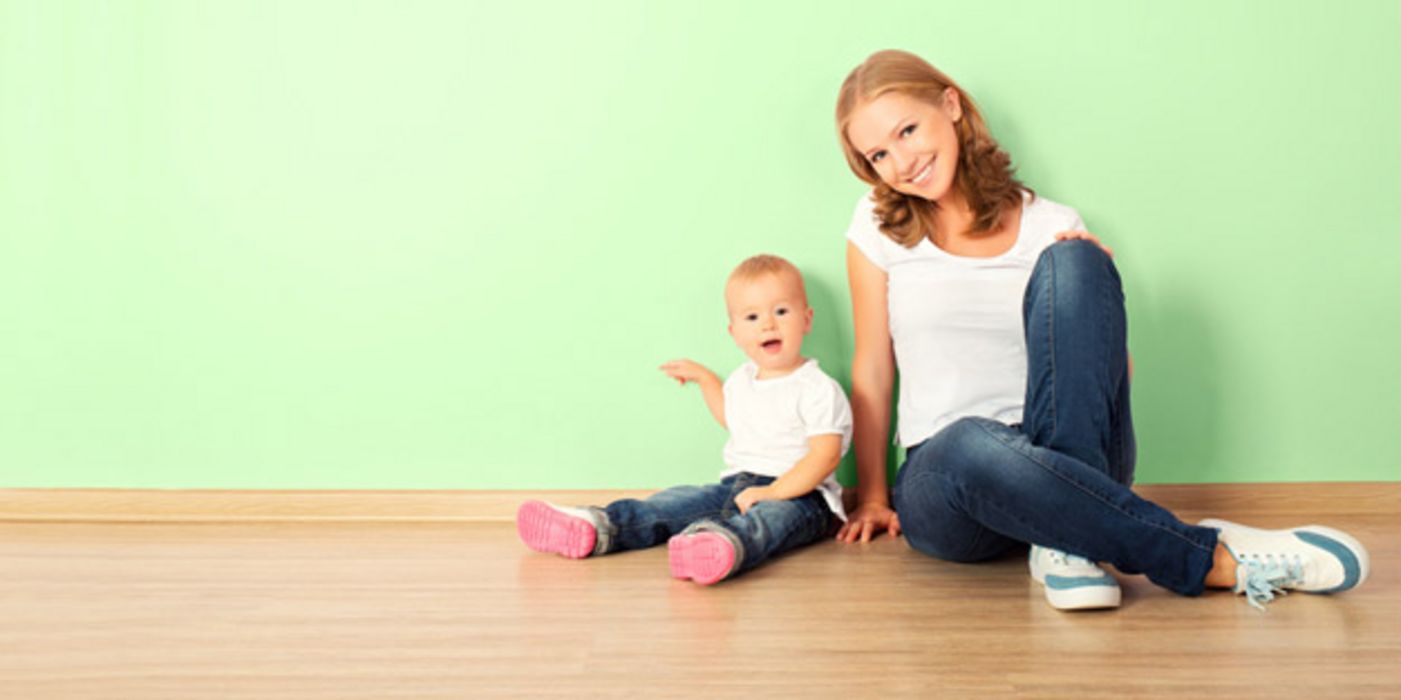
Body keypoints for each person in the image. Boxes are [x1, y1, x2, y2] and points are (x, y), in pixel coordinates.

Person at [832, 49, 1368, 610]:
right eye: (879, 154)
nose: (902, 161)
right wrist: (871, 494)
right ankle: (1211, 559)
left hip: (1069, 450)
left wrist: (1096, 299)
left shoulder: (1052, 224)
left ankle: (1064, 545)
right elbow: (873, 363)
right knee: (969, 440)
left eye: (908, 130)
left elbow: (1111, 381)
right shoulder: (876, 225)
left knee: (1079, 263)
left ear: (952, 105)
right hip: (951, 482)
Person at [516, 255, 852, 585]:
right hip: (735, 485)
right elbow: (735, 420)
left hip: (802, 495)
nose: (768, 324)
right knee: (675, 503)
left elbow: (825, 455)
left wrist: (775, 491)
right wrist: (707, 380)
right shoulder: (741, 380)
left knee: (770, 522)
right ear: (734, 332)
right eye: (752, 316)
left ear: (806, 319)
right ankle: (601, 525)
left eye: (781, 311)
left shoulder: (817, 388)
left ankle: (719, 545)